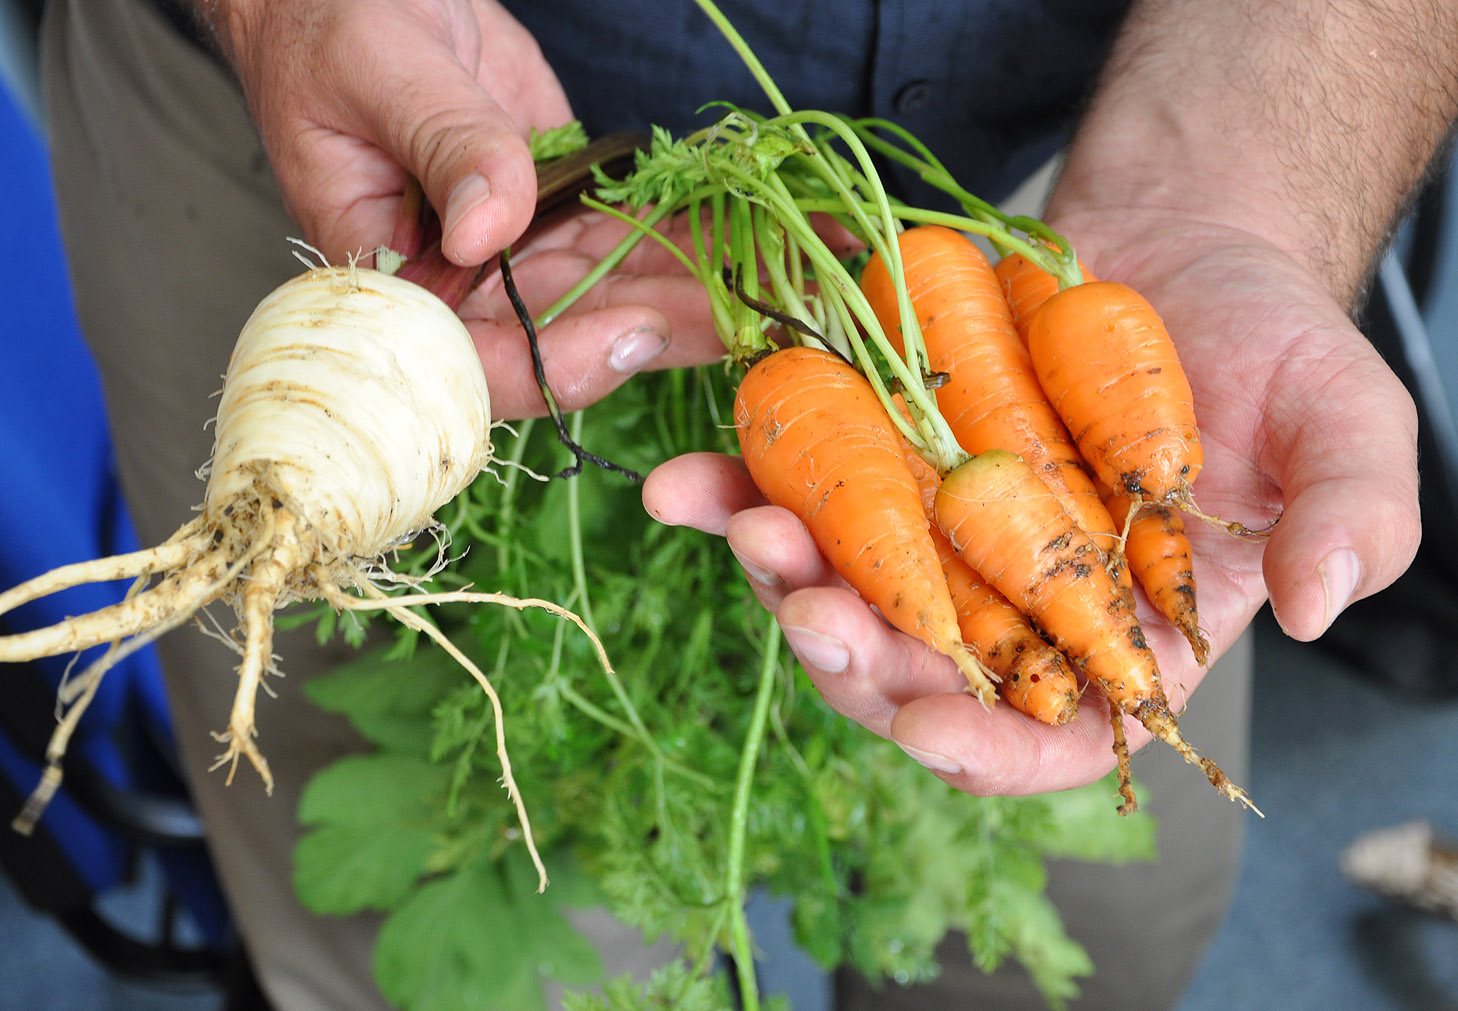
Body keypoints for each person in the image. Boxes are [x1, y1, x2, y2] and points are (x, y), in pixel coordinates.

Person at [34, 0, 1451, 1008]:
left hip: (1078, 189)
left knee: (1086, 936)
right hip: (398, 176)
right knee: (465, 947)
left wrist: (1241, 197)